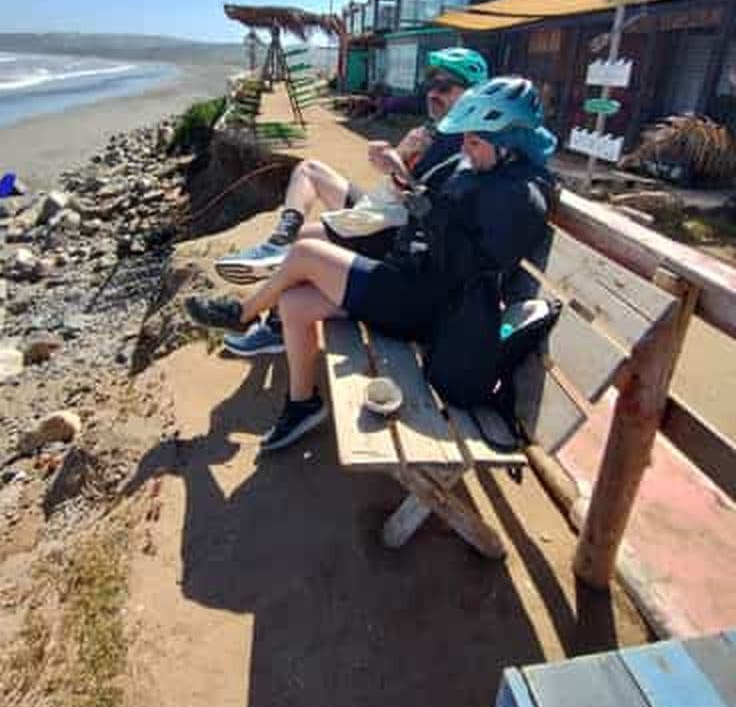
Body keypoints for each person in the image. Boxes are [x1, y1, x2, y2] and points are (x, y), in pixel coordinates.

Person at [187, 77, 557, 451]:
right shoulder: (484, 169)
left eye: (473, 141)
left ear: (509, 142)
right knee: (294, 303)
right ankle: (303, 405)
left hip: (426, 305)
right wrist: (414, 195)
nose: (465, 148)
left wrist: (427, 211)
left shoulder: (521, 197)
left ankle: (244, 313)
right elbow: (437, 212)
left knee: (306, 254)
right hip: (406, 278)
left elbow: (468, 268)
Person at [216, 46, 489, 357]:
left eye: (444, 87)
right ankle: (278, 241)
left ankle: (270, 321)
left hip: (394, 233)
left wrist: (399, 169)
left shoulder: (469, 145)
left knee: (304, 243)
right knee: (309, 170)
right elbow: (397, 183)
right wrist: (394, 157)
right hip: (383, 210)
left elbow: (430, 213)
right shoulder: (434, 131)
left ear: (472, 94)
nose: (432, 94)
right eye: (430, 85)